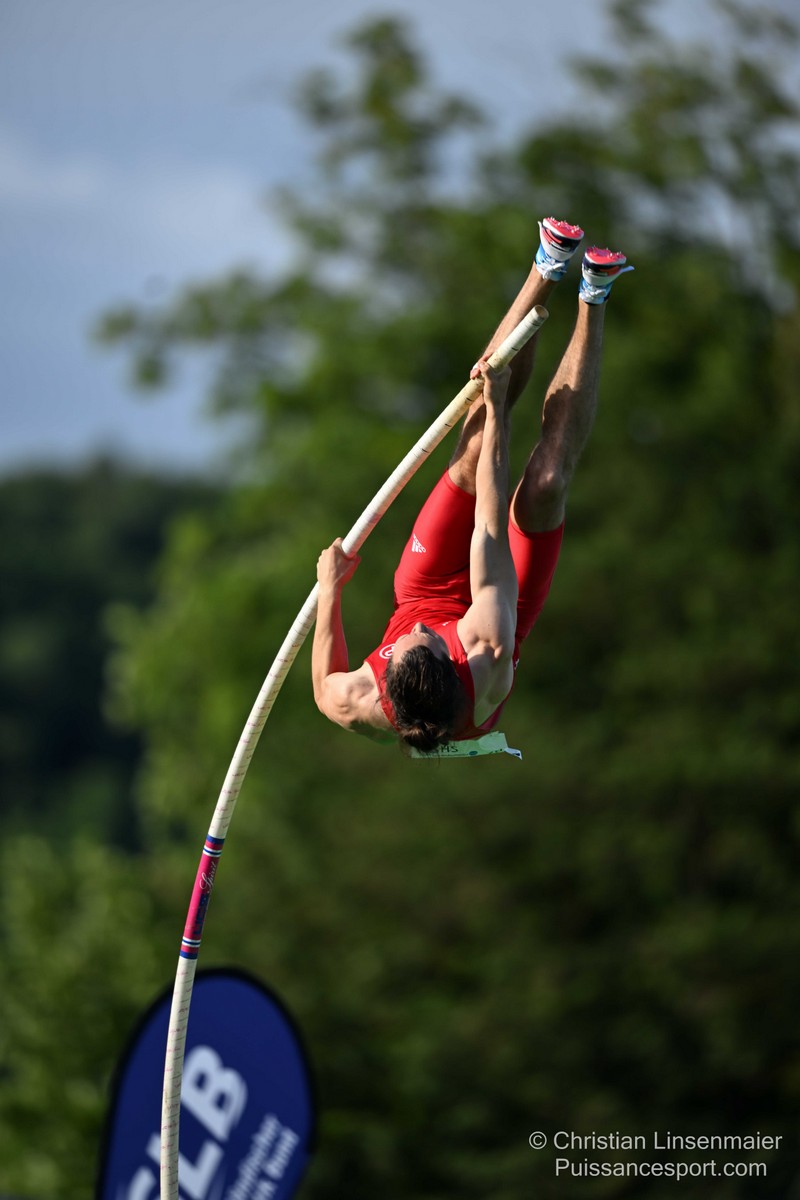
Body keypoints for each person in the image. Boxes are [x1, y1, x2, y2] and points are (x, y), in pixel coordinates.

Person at [312, 218, 633, 754]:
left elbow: (324, 687)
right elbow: (489, 526)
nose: (422, 630)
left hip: (425, 587)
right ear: (452, 659)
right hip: (504, 604)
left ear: (385, 678)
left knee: (474, 446)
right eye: (432, 639)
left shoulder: (357, 700)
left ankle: (547, 264)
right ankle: (595, 294)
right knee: (545, 483)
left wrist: (330, 590)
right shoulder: (486, 654)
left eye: (402, 643)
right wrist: (499, 404)